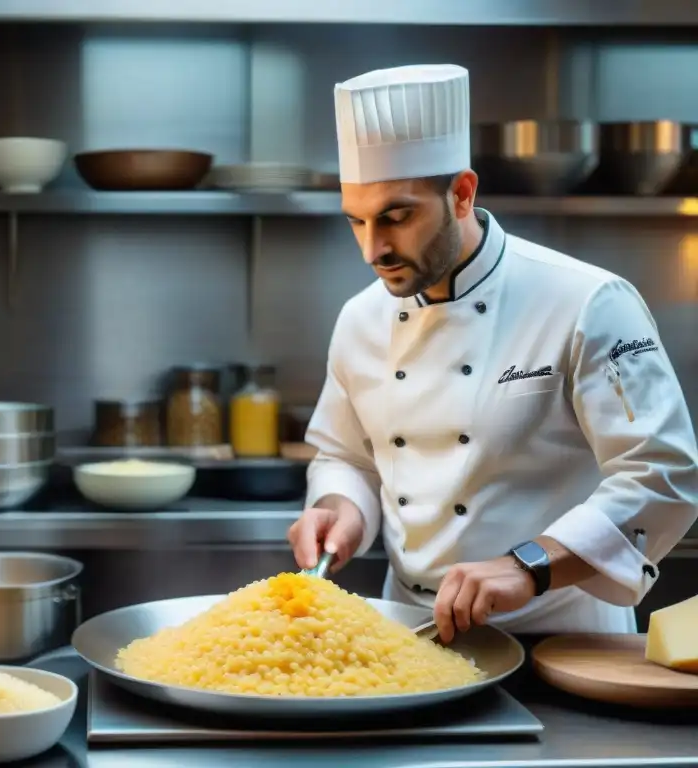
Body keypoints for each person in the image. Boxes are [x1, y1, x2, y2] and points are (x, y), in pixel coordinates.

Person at [288, 63, 698, 641]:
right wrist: (341, 510)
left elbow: (663, 474)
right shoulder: (360, 318)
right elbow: (347, 457)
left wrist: (528, 566)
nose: (372, 249)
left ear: (461, 193)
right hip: (411, 638)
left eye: (397, 218)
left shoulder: (587, 301)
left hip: (562, 639)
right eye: (356, 221)